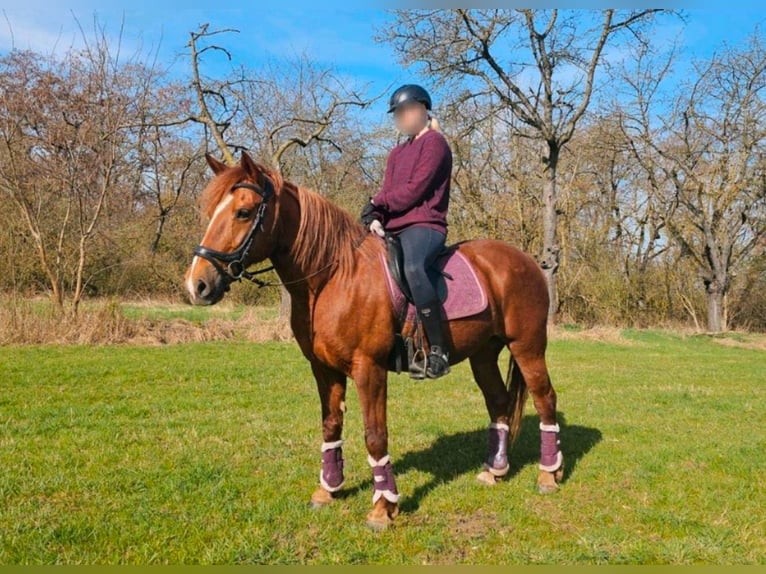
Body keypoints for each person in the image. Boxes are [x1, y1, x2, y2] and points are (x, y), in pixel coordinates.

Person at [360, 84, 453, 379]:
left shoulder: (435, 144)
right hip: (395, 228)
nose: (401, 118)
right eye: (397, 114)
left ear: (423, 110)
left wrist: (378, 201)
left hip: (425, 224)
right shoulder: (396, 153)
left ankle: (438, 351)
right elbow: (388, 192)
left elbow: (415, 191)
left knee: (413, 268)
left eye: (405, 111)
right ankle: (397, 346)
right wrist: (374, 213)